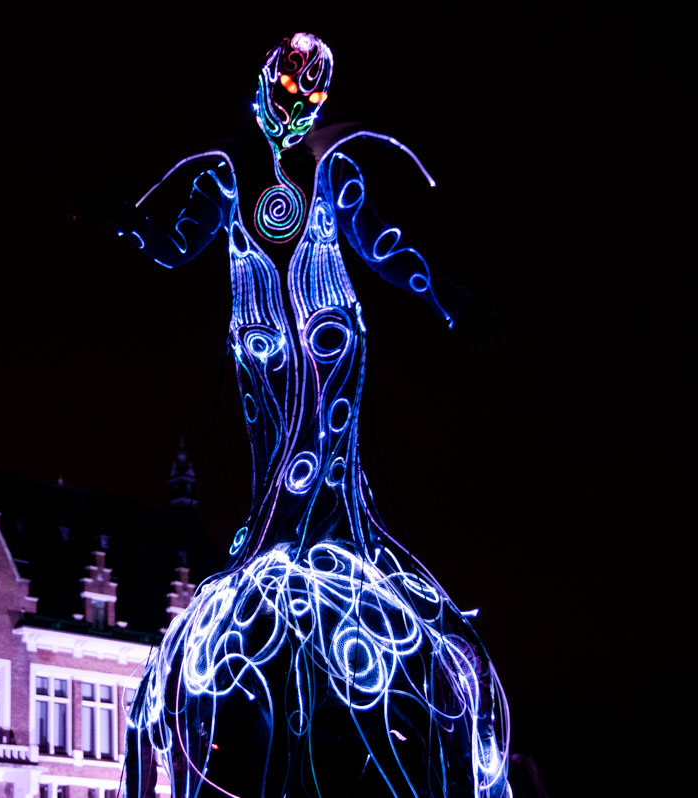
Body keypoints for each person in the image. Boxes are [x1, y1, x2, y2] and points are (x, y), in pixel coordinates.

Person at [114, 33, 511, 798]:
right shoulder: (226, 172)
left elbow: (381, 243)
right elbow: (177, 245)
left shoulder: (334, 167)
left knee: (327, 464)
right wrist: (130, 224)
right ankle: (280, 565)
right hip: (261, 344)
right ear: (261, 83)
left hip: (333, 339)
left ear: (317, 104)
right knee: (275, 458)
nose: (288, 105)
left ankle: (326, 556)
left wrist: (446, 297)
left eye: (306, 98)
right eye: (281, 88)